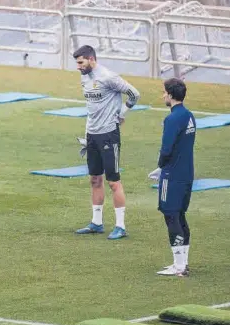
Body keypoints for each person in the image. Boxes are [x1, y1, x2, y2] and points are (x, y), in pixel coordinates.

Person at [72, 45, 140, 240]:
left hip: (109, 134)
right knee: (95, 179)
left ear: (91, 59)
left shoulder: (109, 77)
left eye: (80, 62)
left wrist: (122, 112)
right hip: (92, 134)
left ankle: (121, 226)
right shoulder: (84, 76)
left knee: (113, 181)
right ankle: (96, 223)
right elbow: (92, 107)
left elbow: (134, 93)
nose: (78, 67)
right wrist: (87, 134)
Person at [148, 78, 195, 277]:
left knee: (171, 215)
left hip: (172, 175)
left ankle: (178, 266)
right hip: (186, 173)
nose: (163, 95)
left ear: (170, 94)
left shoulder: (172, 119)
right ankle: (183, 262)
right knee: (180, 215)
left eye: (164, 92)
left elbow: (166, 148)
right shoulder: (189, 115)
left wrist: (160, 167)